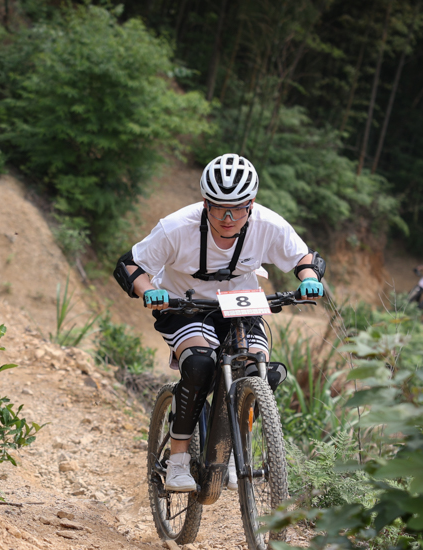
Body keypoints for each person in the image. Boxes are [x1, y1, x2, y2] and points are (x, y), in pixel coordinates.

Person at [112, 153, 325, 492]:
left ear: (251, 204)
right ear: (205, 203)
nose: (228, 217)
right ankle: (179, 459)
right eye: (219, 208)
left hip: (240, 303)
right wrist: (148, 290)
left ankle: (228, 448)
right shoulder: (176, 228)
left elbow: (303, 257)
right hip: (184, 304)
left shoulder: (268, 225)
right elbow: (130, 266)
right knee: (199, 366)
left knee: (258, 370)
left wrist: (309, 278)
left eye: (238, 208)